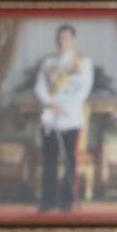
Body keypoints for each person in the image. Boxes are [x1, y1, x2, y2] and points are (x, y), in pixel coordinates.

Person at [33, 22, 93, 212]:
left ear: (73, 40)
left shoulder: (83, 63)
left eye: (66, 37)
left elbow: (83, 90)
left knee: (69, 160)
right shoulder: (48, 63)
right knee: (49, 160)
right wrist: (52, 104)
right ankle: (48, 200)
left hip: (71, 118)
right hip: (50, 117)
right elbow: (39, 87)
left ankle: (67, 202)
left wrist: (64, 107)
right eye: (59, 37)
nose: (62, 41)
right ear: (56, 40)